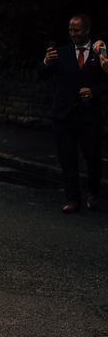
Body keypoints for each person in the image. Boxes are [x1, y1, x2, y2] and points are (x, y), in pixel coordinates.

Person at [38, 14, 108, 213]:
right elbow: (41, 74)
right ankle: (72, 199)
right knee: (67, 159)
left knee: (93, 158)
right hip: (64, 116)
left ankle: (93, 193)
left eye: (76, 30)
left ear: (87, 30)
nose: (73, 34)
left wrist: (94, 92)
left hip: (90, 116)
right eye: (70, 30)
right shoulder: (60, 53)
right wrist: (44, 61)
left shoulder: (99, 52)